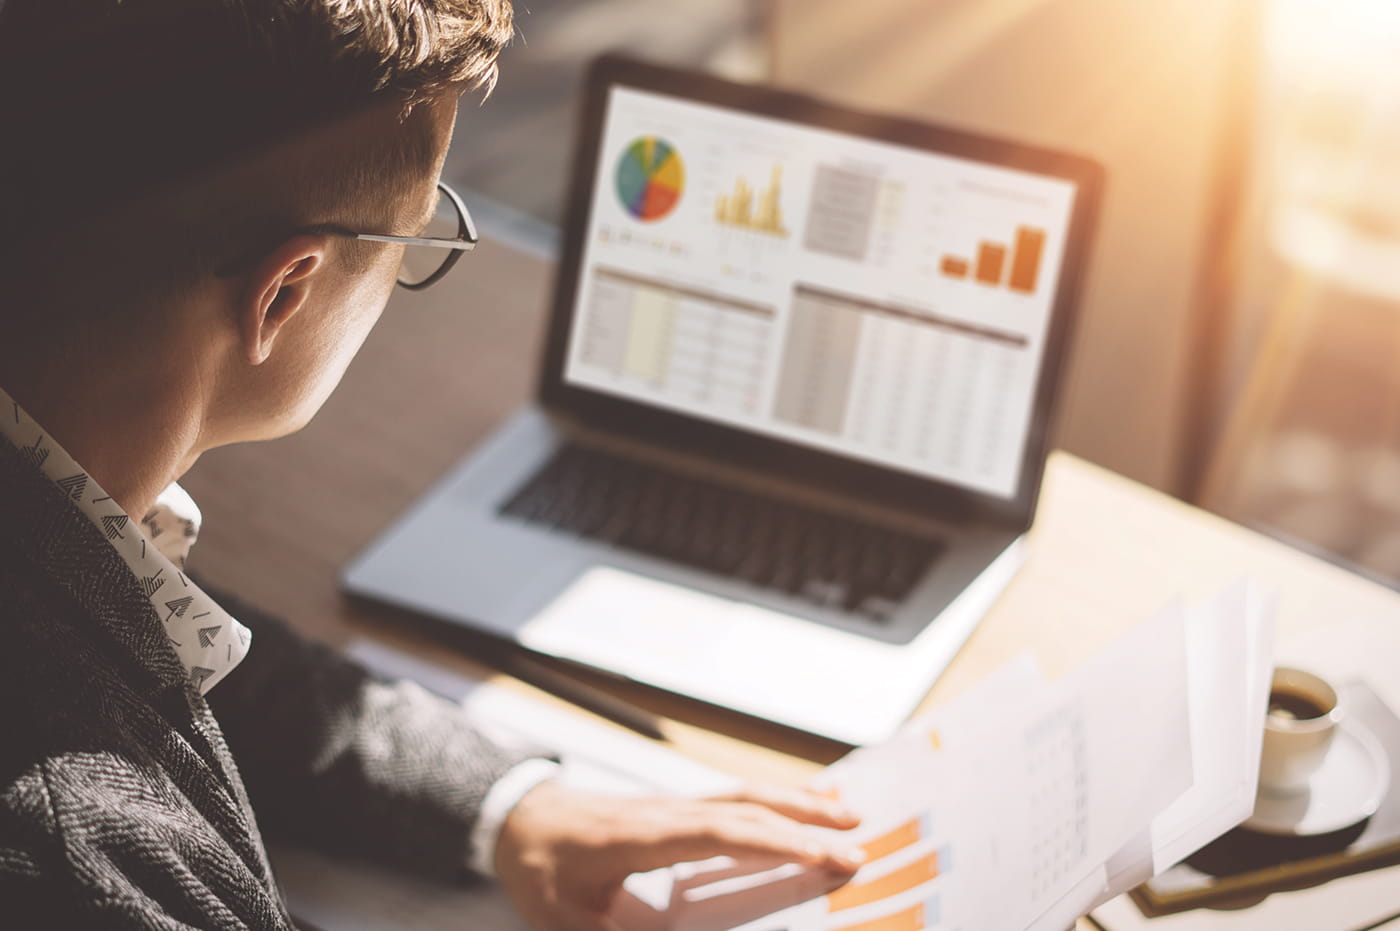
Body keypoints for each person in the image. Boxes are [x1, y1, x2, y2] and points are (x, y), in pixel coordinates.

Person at [0, 1, 865, 928]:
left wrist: (506, 804)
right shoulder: (76, 852)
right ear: (283, 294)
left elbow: (137, 646)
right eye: (416, 235)